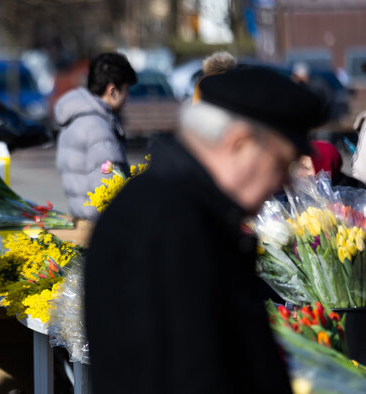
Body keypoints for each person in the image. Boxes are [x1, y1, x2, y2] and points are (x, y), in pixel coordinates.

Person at [85, 66, 327, 393]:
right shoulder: (170, 221)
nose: (284, 182)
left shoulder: (181, 206)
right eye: (282, 164)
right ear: (238, 143)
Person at [55, 52, 137, 222]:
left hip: (80, 217)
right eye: (126, 90)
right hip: (100, 225)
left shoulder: (75, 118)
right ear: (112, 90)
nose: (127, 97)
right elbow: (108, 190)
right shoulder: (99, 129)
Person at [292, 140, 364, 188]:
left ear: (324, 169)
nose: (300, 173)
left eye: (306, 168)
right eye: (299, 166)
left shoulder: (349, 196)